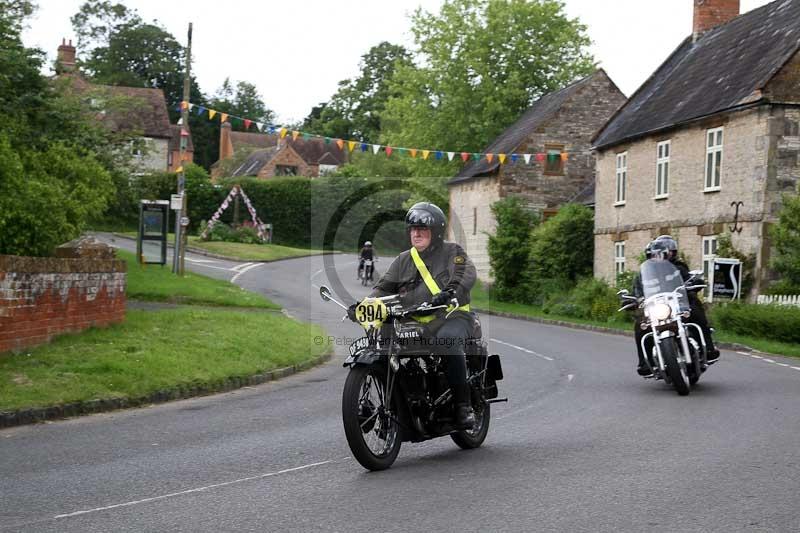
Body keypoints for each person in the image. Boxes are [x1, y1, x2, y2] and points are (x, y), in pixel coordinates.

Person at [347, 202, 478, 429]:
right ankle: (401, 401)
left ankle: (463, 407)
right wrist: (363, 306)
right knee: (384, 345)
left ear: (435, 232)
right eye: (412, 229)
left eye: (422, 229)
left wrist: (449, 292)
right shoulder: (403, 260)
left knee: (446, 343)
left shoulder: (452, 251)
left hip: (452, 316)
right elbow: (382, 288)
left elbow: (464, 273)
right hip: (414, 321)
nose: (416, 233)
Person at [632, 235, 720, 376]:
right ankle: (644, 362)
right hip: (656, 307)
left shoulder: (678, 268)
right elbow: (637, 291)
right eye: (654, 255)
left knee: (696, 311)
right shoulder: (642, 275)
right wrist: (632, 300)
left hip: (679, 304)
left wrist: (694, 283)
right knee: (640, 326)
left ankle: (709, 349)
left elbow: (689, 280)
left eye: (662, 254)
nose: (658, 257)